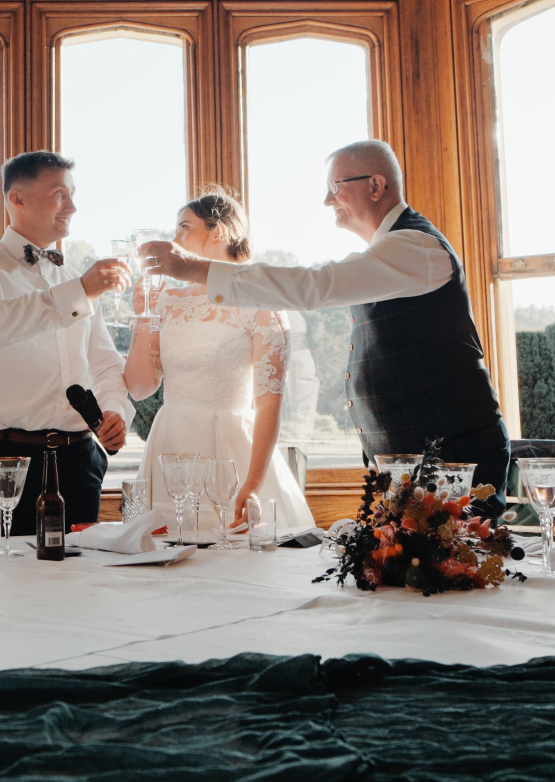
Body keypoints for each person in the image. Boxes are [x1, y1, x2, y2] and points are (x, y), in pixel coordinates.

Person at [141, 140, 510, 515]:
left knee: (458, 569)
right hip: (408, 459)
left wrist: (193, 269)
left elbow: (313, 286)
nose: (327, 201)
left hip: (454, 454)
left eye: (336, 187)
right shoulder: (385, 254)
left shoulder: (417, 247)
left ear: (376, 186)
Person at [0, 152, 132, 533]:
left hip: (79, 461)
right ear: (17, 199)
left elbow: (105, 363)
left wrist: (114, 410)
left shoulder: (76, 278)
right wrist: (79, 293)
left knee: (78, 585)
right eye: (60, 194)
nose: (72, 207)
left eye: (73, 195)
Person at [123, 189, 309, 534]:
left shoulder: (260, 299)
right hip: (170, 450)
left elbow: (269, 400)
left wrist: (253, 483)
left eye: (184, 228)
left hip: (231, 455)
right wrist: (142, 317)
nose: (175, 239)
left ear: (219, 232)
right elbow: (139, 387)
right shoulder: (166, 301)